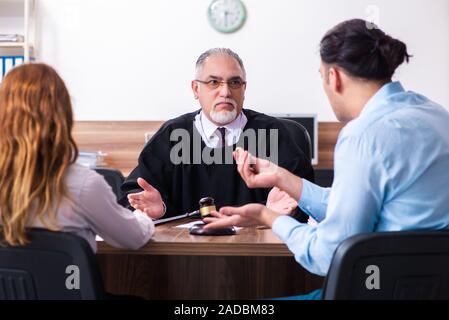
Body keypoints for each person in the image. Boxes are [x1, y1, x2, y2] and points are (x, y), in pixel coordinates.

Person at [204, 19, 449, 294]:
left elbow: (325, 255)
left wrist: (267, 216)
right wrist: (284, 179)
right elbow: (359, 206)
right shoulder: (437, 116)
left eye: (321, 76)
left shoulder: (363, 135)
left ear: (334, 77)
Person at [121, 48, 314, 219]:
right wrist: (159, 209)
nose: (225, 92)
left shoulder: (271, 132)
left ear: (244, 89)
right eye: (214, 82)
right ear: (196, 89)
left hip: (258, 249)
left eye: (235, 82)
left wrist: (281, 211)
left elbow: (307, 195)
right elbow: (135, 193)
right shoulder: (173, 134)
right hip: (184, 251)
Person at [0, 63, 163, 252]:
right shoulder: (84, 185)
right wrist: (142, 215)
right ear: (63, 117)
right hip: (67, 282)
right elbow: (134, 237)